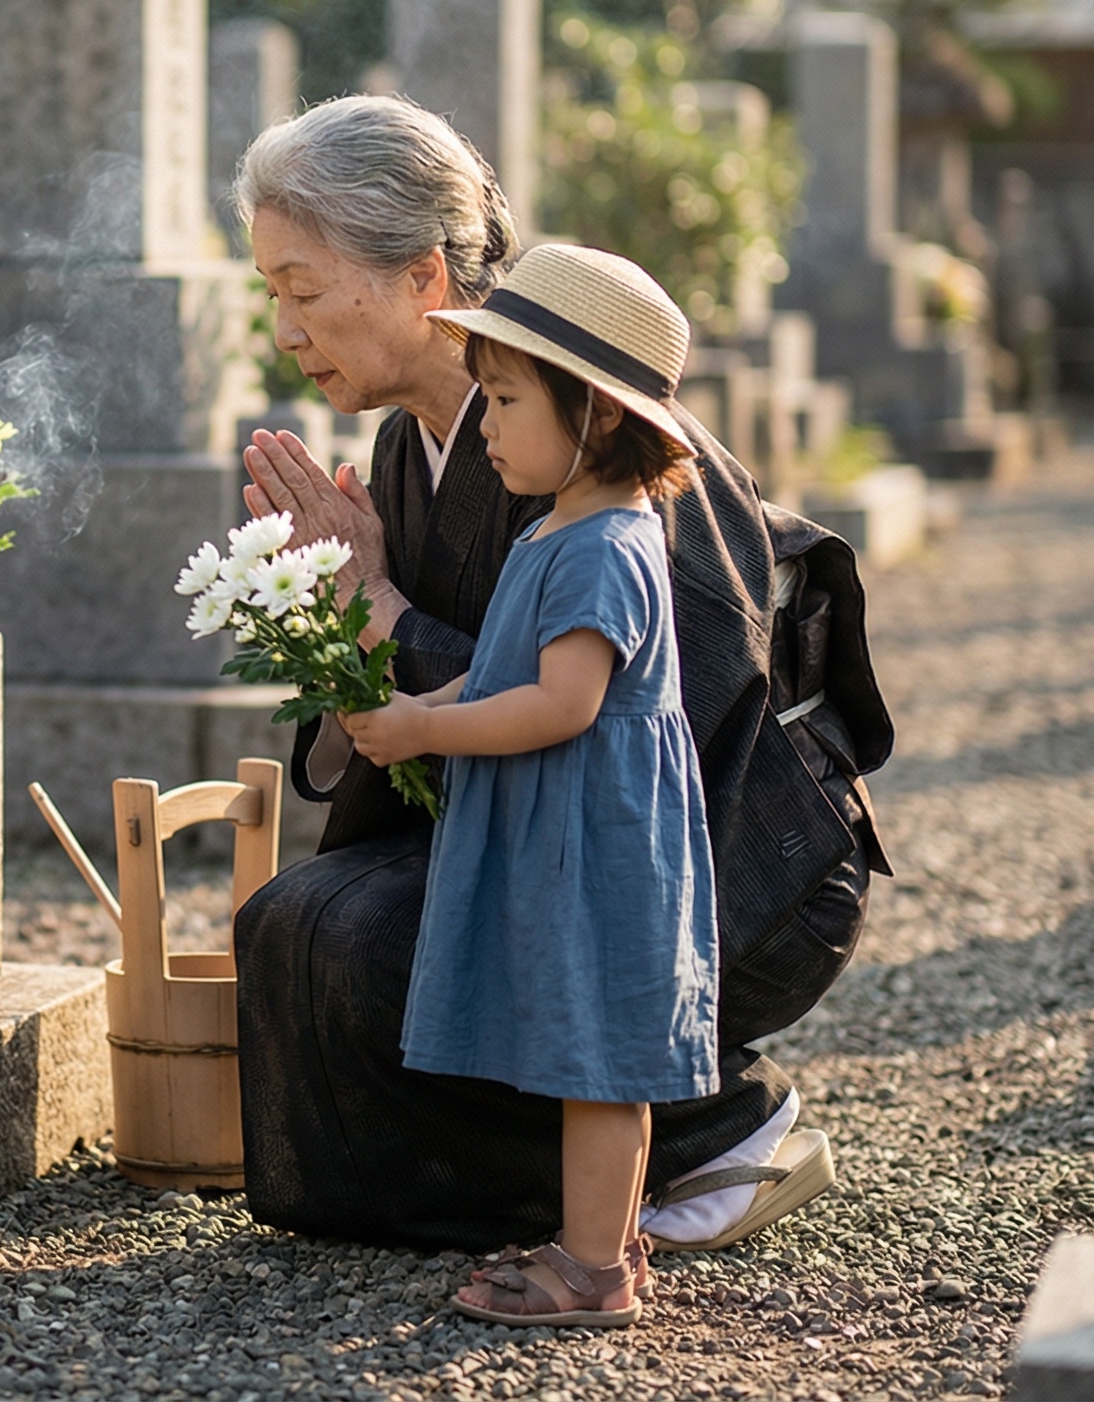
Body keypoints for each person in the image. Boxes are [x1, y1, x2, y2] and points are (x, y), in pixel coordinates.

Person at [231, 94, 892, 1255]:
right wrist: (334, 642)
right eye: (272, 294)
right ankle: (563, 1184)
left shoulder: (602, 442)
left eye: (300, 287)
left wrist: (381, 616)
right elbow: (412, 692)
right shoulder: (409, 445)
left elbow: (626, 718)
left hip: (719, 861)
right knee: (293, 923)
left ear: (421, 274)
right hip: (548, 828)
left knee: (370, 947)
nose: (283, 330)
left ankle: (709, 1130)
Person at [338, 243, 714, 1326]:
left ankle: (593, 1270)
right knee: (583, 1045)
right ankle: (599, 1242)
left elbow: (562, 702)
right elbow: (505, 666)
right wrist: (415, 701)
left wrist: (425, 725)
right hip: (573, 827)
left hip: (600, 834)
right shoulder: (557, 527)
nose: (485, 424)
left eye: (503, 400)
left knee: (598, 1056)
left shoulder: (604, 546)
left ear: (593, 417)